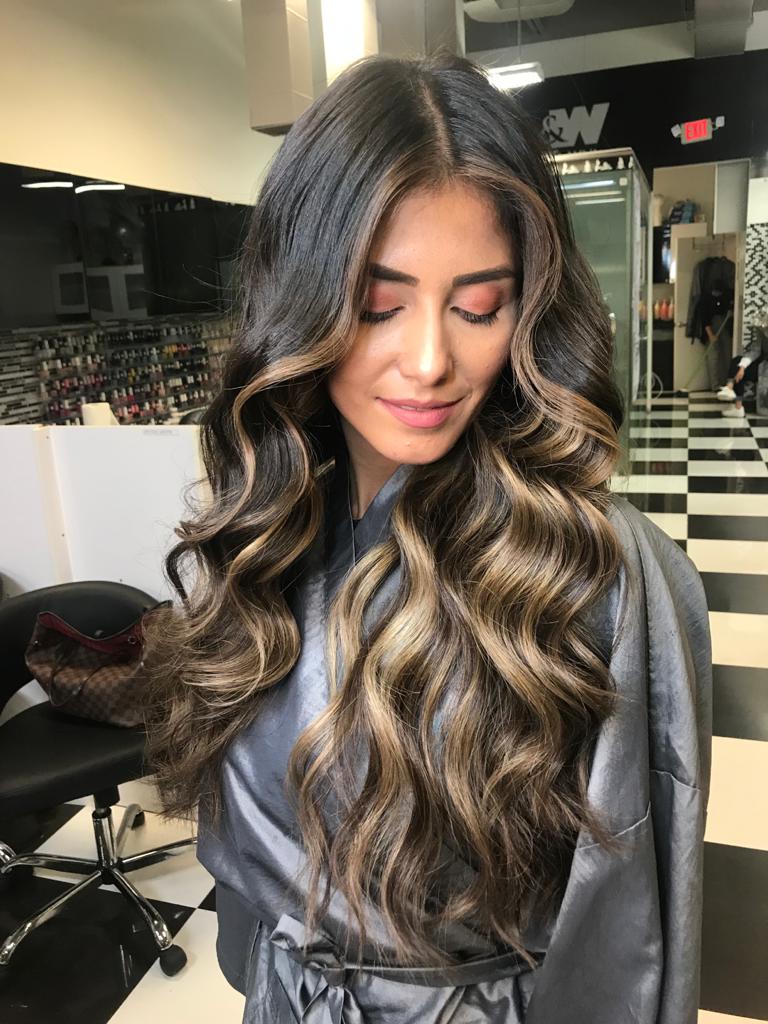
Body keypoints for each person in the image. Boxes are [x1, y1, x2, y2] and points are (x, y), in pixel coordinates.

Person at [142, 50, 712, 1024]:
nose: (430, 359)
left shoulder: (613, 583)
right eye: (378, 300)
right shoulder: (261, 542)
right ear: (303, 301)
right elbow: (249, 921)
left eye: (477, 303)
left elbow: (633, 933)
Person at [717, 337, 764, 418]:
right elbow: (755, 351)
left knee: (739, 366)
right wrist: (742, 367)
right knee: (737, 362)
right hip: (762, 365)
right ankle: (729, 387)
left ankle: (737, 405)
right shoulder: (763, 330)